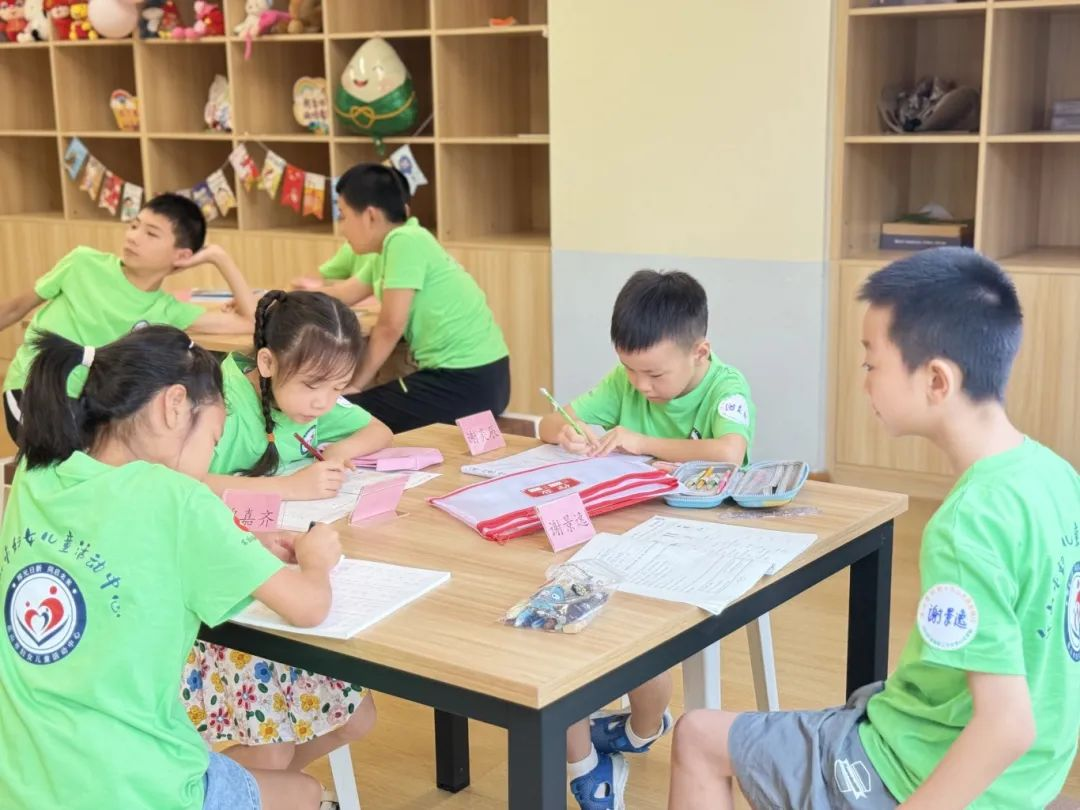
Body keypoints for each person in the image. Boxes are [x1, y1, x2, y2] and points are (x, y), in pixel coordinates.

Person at [667, 248, 1080, 809]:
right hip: (1028, 780)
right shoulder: (1056, 475)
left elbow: (1006, 726)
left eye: (871, 364)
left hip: (915, 772)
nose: (863, 383)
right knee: (867, 698)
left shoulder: (967, 525)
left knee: (696, 736)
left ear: (936, 380)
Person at [0, 325, 342, 810]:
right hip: (130, 788)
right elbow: (309, 606)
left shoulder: (37, 471)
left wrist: (240, 546)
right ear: (174, 405)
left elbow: (133, 542)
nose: (207, 461)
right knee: (305, 794)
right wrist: (317, 560)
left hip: (21, 777)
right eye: (213, 439)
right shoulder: (177, 499)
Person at [0, 193, 257, 440]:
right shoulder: (82, 263)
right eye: (134, 226)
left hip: (93, 409)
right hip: (34, 392)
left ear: (182, 256)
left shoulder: (166, 310)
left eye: (151, 233)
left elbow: (251, 322)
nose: (133, 237)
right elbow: (15, 308)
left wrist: (218, 257)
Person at [292, 163, 511, 433]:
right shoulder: (386, 249)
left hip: (467, 380)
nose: (342, 228)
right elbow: (343, 294)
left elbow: (390, 326)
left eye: (343, 215)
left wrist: (355, 384)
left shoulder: (404, 241)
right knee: (344, 410)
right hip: (479, 377)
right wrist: (283, 299)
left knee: (342, 414)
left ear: (370, 216)